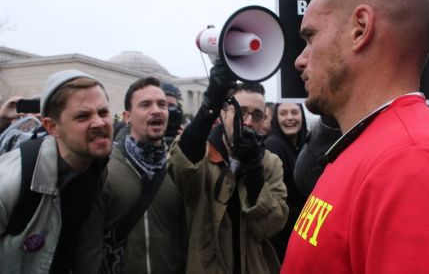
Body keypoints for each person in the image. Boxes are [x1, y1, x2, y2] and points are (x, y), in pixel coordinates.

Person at [281, 0, 429, 273]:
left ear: (360, 29)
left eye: (310, 37)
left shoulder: (414, 161)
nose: (300, 60)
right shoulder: (374, 145)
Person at [168, 63, 288, 274]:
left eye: (257, 115)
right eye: (241, 112)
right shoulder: (202, 154)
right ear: (223, 114)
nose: (249, 122)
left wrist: (254, 172)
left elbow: (270, 227)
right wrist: (208, 106)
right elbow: (181, 168)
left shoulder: (271, 163)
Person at [0, 69, 113, 274]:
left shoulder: (100, 168)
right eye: (83, 116)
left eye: (103, 112)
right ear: (52, 127)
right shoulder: (9, 182)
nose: (99, 122)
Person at [74, 77, 186, 274]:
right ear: (127, 116)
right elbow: (88, 249)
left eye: (162, 104)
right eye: (145, 105)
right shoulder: (104, 170)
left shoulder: (177, 169)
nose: (156, 110)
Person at [263, 102, 307, 262]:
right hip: (282, 236)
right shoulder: (273, 146)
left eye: (294, 112)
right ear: (276, 118)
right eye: (283, 113)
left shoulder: (303, 145)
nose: (289, 118)